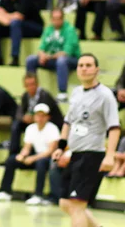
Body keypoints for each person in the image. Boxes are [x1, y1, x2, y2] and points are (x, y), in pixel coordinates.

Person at [52, 53, 121, 227]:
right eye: (81, 65)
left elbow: (114, 127)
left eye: (88, 65)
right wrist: (61, 146)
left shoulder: (105, 96)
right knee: (65, 203)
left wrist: (110, 155)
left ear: (97, 70)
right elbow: (68, 121)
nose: (84, 68)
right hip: (75, 154)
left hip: (92, 156)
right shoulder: (75, 92)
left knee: (77, 206)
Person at [0, 103, 60, 205]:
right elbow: (27, 147)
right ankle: (5, 192)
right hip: (35, 157)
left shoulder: (52, 129)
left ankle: (38, 195)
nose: (40, 118)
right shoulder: (31, 128)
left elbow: (50, 151)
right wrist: (22, 155)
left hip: (47, 158)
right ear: (34, 116)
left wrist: (32, 158)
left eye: (43, 115)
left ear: (48, 117)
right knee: (11, 160)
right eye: (38, 115)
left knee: (41, 163)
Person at [25, 8, 81, 100]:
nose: (56, 21)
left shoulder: (70, 30)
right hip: (53, 59)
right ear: (51, 19)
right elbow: (41, 48)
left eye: (59, 18)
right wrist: (42, 55)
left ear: (63, 19)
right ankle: (32, 91)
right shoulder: (48, 30)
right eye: (54, 19)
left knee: (61, 60)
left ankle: (62, 92)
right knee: (30, 60)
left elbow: (66, 53)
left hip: (72, 60)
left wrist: (48, 57)